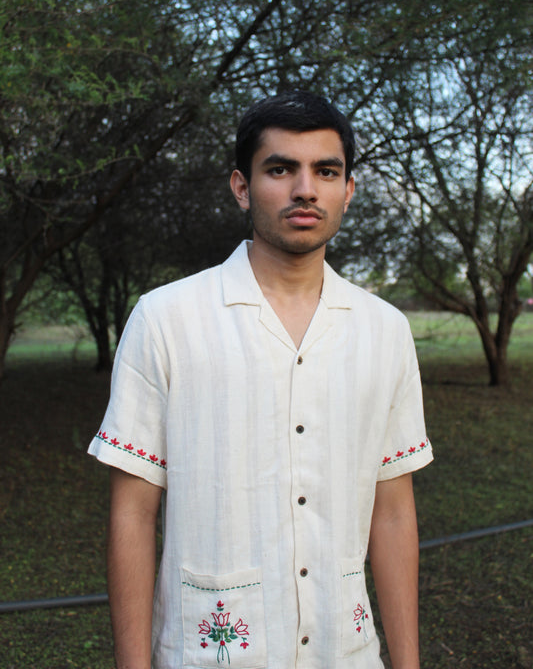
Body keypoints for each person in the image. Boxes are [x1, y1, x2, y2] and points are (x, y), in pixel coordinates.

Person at [88, 90, 433, 669]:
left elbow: (393, 511)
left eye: (326, 170)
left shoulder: (385, 330)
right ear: (242, 187)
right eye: (281, 168)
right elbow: (133, 512)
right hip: (207, 655)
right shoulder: (167, 319)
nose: (305, 189)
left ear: (348, 190)